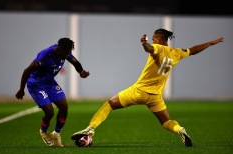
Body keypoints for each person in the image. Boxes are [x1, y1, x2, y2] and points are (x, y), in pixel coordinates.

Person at [71, 28, 224, 147]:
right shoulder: (176, 53)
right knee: (166, 122)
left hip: (139, 91)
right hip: (155, 97)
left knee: (109, 104)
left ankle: (91, 128)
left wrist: (144, 44)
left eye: (153, 38)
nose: (152, 39)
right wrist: (210, 43)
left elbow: (151, 49)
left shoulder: (157, 47)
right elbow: (193, 50)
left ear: (159, 39)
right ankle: (180, 130)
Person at [15, 38, 90, 147]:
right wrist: (21, 89)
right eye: (67, 52)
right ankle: (43, 131)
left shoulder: (65, 52)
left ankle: (56, 133)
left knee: (64, 107)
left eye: (69, 52)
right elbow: (26, 71)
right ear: (59, 49)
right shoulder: (44, 56)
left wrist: (81, 72)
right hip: (36, 85)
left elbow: (75, 62)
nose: (68, 55)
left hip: (50, 83)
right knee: (49, 112)